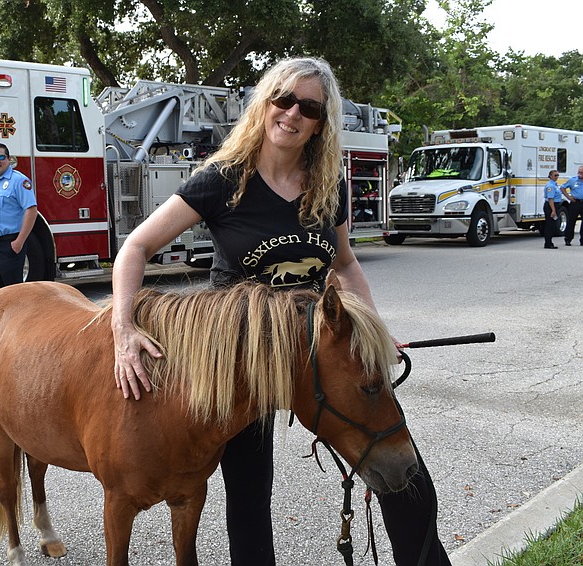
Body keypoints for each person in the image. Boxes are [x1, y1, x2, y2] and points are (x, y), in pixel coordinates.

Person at [111, 57, 451, 565]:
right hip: (242, 364)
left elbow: (346, 266)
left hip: (316, 352)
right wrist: (124, 329)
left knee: (403, 472)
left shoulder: (326, 185)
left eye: (308, 107)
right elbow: (134, 248)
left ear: (321, 121)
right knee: (250, 498)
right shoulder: (223, 180)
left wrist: (373, 334)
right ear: (265, 103)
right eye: (283, 99)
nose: (292, 114)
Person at [0, 143, 38, 293]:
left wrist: (19, 242)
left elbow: (31, 210)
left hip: (8, 245)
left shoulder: (19, 181)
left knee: (13, 294)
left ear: (9, 159)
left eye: (0, 157)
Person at [559, 165, 583, 245]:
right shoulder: (573, 180)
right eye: (579, 172)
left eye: (582, 173)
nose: (580, 174)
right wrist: (568, 197)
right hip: (575, 203)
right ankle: (568, 239)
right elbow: (562, 187)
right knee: (571, 222)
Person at [543, 170, 562, 249]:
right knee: (549, 225)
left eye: (557, 175)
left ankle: (549, 242)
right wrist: (553, 211)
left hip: (554, 205)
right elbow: (550, 199)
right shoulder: (550, 186)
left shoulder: (554, 184)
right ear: (550, 176)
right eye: (555, 175)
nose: (557, 177)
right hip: (551, 206)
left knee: (552, 225)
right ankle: (548, 243)